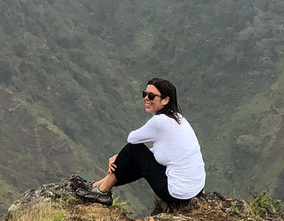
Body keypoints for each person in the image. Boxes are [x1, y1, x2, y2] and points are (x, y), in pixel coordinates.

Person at [73, 77, 205, 210]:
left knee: (133, 150)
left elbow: (132, 138)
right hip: (194, 190)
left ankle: (102, 191)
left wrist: (120, 158)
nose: (146, 98)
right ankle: (96, 186)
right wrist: (121, 158)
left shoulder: (159, 122)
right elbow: (166, 151)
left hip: (176, 196)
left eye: (152, 96)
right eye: (145, 94)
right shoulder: (179, 118)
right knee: (138, 157)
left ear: (165, 100)